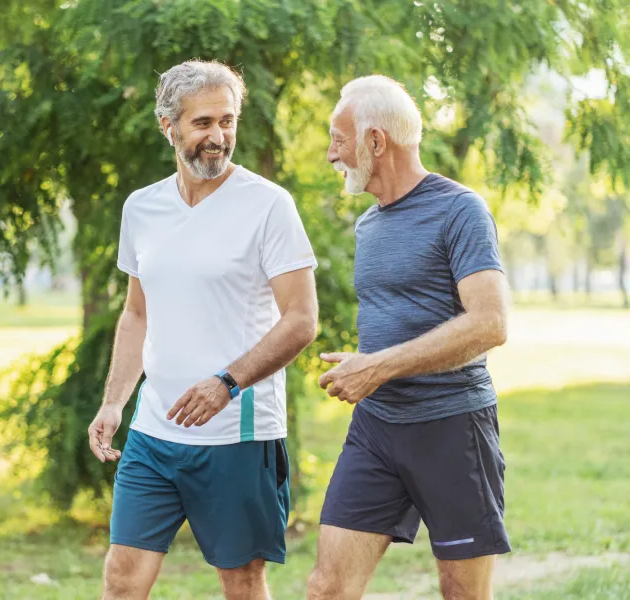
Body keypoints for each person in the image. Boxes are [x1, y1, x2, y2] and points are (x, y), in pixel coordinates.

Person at [88, 60, 319, 600]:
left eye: (228, 121)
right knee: (122, 578)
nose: (218, 137)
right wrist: (114, 402)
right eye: (203, 124)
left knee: (241, 582)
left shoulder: (268, 205)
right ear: (168, 126)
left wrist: (227, 382)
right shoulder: (142, 208)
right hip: (154, 433)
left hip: (237, 435)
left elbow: (302, 320)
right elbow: (137, 315)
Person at [308, 75, 511, 600]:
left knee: (462, 593)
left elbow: (490, 323)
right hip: (377, 428)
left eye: (338, 138)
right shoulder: (368, 226)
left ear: (376, 141)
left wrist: (379, 365)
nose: (332, 155)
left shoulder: (460, 210)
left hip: (452, 426)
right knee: (327, 588)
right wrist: (371, 367)